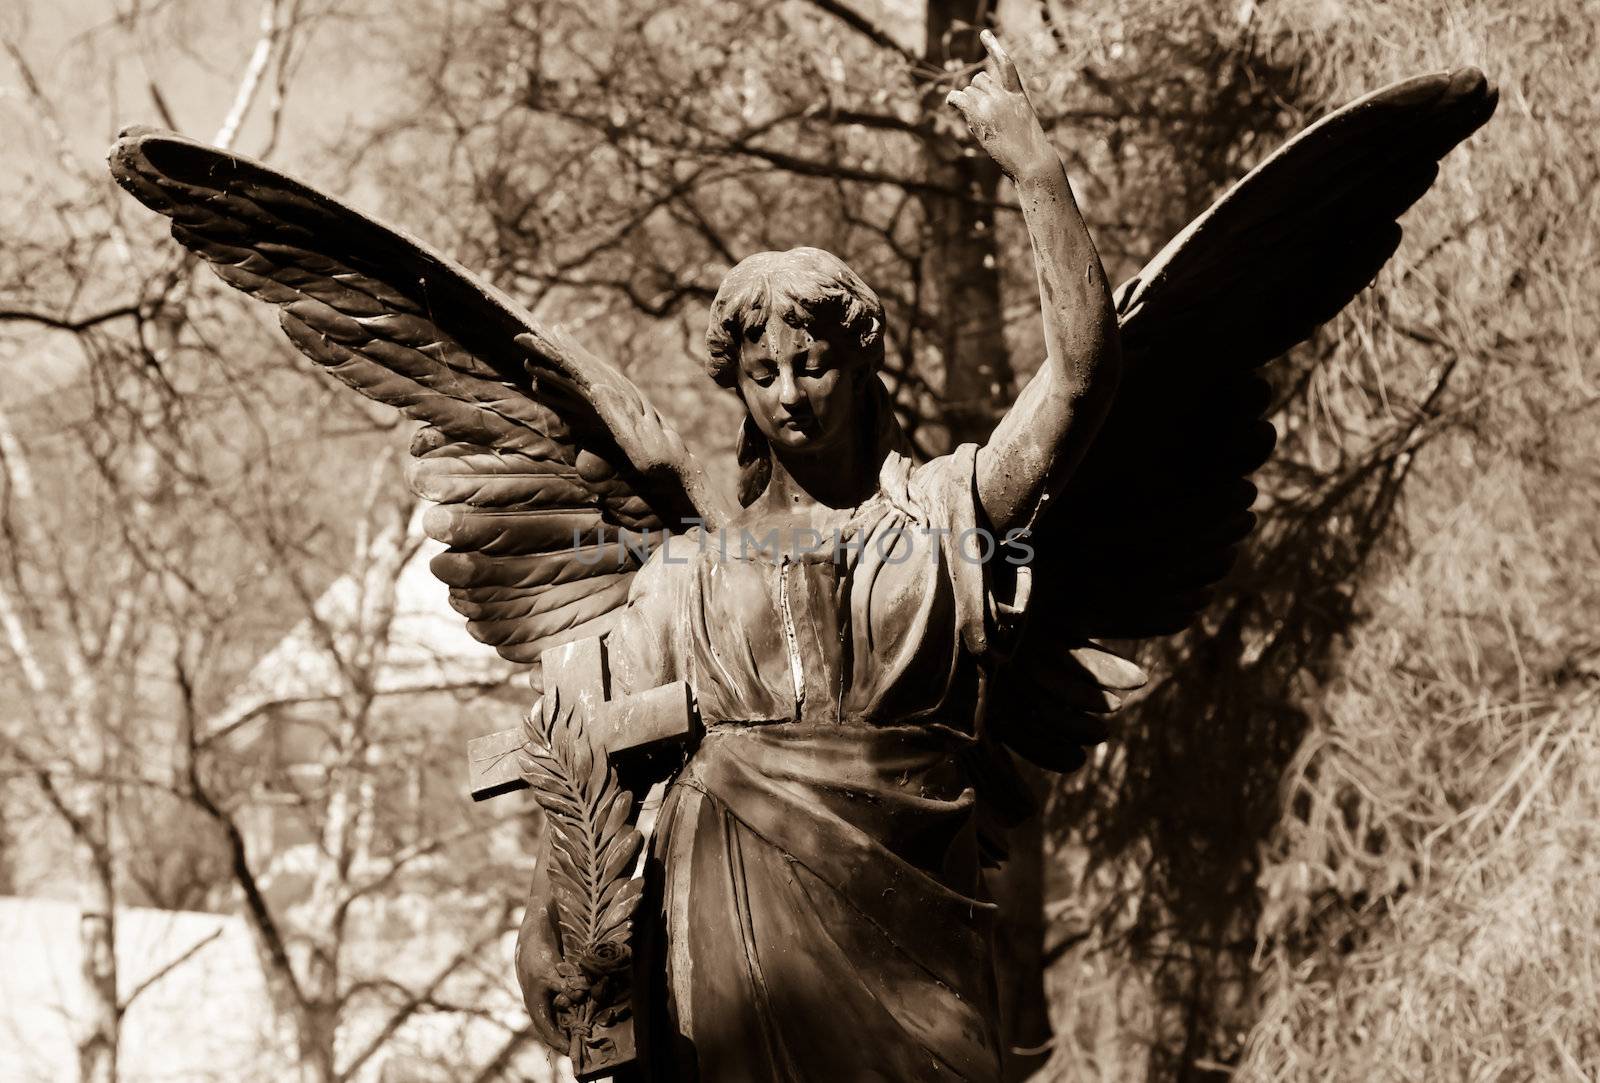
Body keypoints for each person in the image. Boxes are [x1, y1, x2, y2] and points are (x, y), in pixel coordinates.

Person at [520, 30, 1120, 1081]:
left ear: (859, 358)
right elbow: (587, 755)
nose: (792, 393)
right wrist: (565, 911)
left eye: (813, 363)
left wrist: (1036, 174)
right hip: (734, 931)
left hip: (915, 917)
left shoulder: (946, 515)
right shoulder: (689, 570)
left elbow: (1078, 382)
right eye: (763, 372)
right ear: (738, 388)